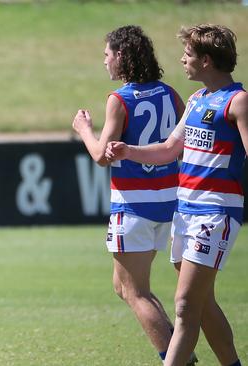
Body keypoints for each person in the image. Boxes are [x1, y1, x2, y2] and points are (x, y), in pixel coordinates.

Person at [106, 24, 246, 366]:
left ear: (207, 61)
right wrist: (128, 151)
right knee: (202, 304)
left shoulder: (238, 101)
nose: (183, 61)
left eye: (189, 55)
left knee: (184, 305)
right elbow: (170, 148)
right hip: (185, 211)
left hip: (215, 212)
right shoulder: (198, 99)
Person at [72, 25, 190, 363]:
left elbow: (101, 156)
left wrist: (84, 130)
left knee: (131, 290)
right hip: (169, 202)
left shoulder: (119, 100)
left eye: (108, 55)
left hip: (134, 205)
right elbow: (181, 145)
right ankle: (179, 352)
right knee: (135, 288)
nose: (105, 62)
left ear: (122, 57)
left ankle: (176, 357)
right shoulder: (170, 93)